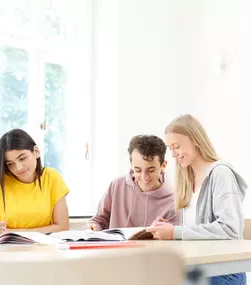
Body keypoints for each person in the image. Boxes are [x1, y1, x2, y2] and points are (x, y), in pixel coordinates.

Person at [147, 114, 247, 285]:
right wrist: (169, 229)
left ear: (194, 139)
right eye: (171, 149)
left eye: (176, 146)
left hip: (224, 272)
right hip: (197, 269)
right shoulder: (187, 180)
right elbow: (197, 232)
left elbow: (231, 230)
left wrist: (175, 232)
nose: (173, 154)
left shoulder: (221, 173)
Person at [0, 129, 69, 236]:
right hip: (5, 251)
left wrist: (12, 232)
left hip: (45, 250)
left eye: (22, 158)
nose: (18, 168)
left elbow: (62, 227)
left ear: (36, 152)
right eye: (10, 164)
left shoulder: (52, 177)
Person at [87, 135, 180, 231]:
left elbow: (172, 238)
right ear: (131, 166)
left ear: (163, 165)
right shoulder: (117, 185)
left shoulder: (174, 201)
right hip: (116, 245)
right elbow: (99, 219)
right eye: (138, 170)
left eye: (151, 170)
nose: (145, 178)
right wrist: (94, 226)